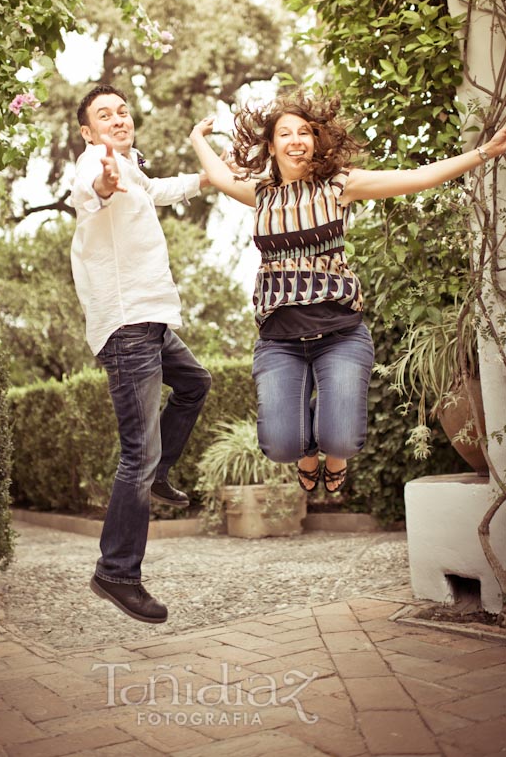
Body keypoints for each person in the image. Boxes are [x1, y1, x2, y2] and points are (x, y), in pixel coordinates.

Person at [189, 90, 506, 497]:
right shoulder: (262, 194)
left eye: (305, 131)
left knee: (340, 440)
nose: (296, 140)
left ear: (316, 140)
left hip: (340, 334)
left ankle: (333, 456)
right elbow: (217, 176)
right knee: (280, 446)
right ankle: (306, 454)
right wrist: (198, 137)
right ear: (272, 145)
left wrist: (485, 152)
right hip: (279, 340)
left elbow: (415, 177)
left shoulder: (340, 185)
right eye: (285, 133)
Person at [70, 84, 212, 624]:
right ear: (88, 132)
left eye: (122, 111)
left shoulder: (131, 169)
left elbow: (158, 189)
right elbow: (94, 188)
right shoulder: (94, 166)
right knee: (137, 453)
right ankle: (117, 571)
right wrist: (105, 181)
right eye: (104, 115)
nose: (118, 118)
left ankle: (159, 472)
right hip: (128, 325)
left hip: (150, 321)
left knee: (196, 383)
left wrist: (207, 179)